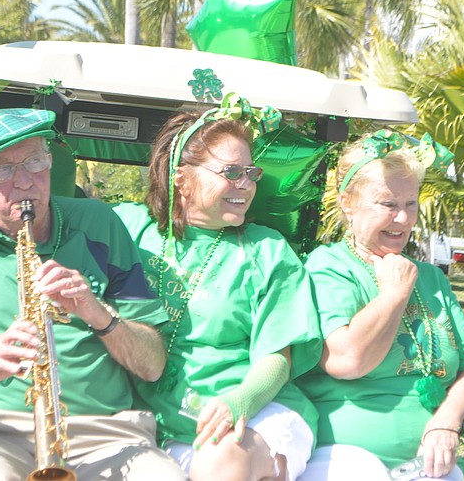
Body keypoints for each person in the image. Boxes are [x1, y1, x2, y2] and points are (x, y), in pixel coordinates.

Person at [0, 107, 186, 480]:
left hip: (110, 433)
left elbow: (152, 365)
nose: (25, 182)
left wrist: (97, 312)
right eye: (4, 170)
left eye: (35, 162)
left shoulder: (98, 223)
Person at [112, 106, 322, 481]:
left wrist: (238, 403)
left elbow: (277, 360)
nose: (246, 184)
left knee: (217, 466)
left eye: (251, 173)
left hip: (254, 411)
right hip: (156, 419)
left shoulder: (266, 250)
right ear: (181, 179)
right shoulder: (129, 228)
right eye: (231, 172)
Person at [296, 131, 464, 480]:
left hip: (430, 460)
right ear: (347, 203)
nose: (402, 219)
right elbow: (347, 360)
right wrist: (393, 295)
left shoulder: (432, 278)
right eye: (388, 205)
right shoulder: (327, 267)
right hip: (345, 457)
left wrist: (446, 421)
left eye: (410, 204)